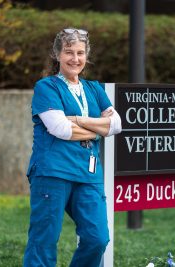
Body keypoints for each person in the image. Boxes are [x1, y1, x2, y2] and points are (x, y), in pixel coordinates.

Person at [23, 28, 122, 267]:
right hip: (53, 171)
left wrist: (77, 120)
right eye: (68, 52)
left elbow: (116, 125)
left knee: (97, 237)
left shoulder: (94, 88)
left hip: (88, 174)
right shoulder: (47, 87)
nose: (75, 59)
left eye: (80, 53)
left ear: (87, 55)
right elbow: (60, 129)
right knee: (44, 240)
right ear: (57, 54)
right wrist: (98, 129)